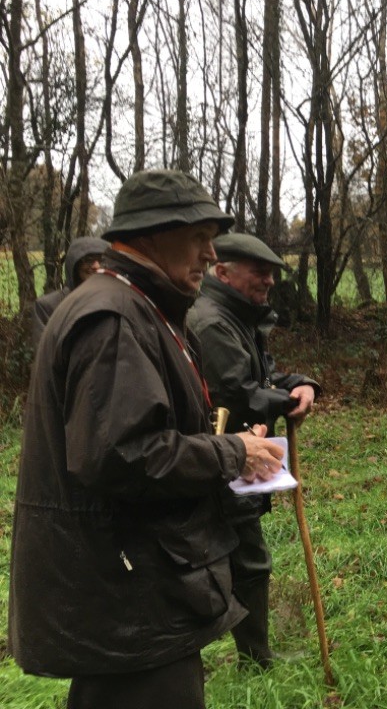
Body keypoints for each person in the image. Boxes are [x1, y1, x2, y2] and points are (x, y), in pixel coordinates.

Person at [8, 169, 286, 709]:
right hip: (131, 594)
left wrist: (222, 441)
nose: (210, 255)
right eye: (199, 238)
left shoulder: (132, 305)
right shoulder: (114, 317)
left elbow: (134, 430)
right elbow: (122, 455)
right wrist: (232, 453)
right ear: (152, 235)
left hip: (130, 587)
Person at [187, 232, 321, 668]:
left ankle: (249, 656)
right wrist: (285, 400)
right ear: (222, 271)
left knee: (241, 561)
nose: (268, 281)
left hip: (239, 458)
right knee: (246, 562)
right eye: (259, 272)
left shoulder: (236, 317)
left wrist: (300, 383)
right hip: (223, 460)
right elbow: (238, 392)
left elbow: (262, 376)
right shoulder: (211, 322)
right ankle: (253, 661)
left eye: (271, 273)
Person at [31, 236, 109, 346]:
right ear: (75, 264)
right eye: (88, 260)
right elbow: (44, 355)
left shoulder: (116, 303)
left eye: (102, 260)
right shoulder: (48, 306)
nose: (96, 266)